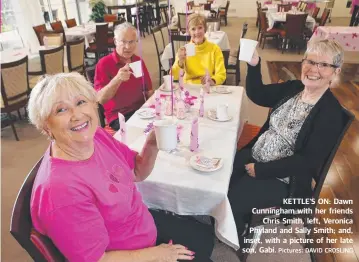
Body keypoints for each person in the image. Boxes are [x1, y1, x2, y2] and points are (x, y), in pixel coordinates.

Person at [28, 73, 214, 262]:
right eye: (61, 110)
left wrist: (151, 145)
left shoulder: (97, 136)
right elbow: (95, 259)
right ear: (45, 127)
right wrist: (157, 254)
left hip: (139, 223)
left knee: (204, 239)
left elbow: (136, 172)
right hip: (126, 254)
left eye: (81, 102)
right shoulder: (60, 190)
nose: (77, 115)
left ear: (93, 104)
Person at [228, 39, 345, 239]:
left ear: (335, 72)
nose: (313, 69)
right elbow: (258, 94)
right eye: (309, 61)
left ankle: (238, 232)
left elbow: (307, 162)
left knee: (232, 199)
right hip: (256, 155)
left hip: (285, 179)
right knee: (220, 176)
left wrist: (261, 170)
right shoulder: (295, 88)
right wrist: (254, 64)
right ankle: (234, 220)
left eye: (324, 65)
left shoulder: (330, 113)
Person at [94, 22, 153, 131]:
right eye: (123, 42)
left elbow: (149, 91)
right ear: (115, 41)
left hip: (141, 111)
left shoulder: (138, 61)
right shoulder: (104, 64)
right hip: (119, 117)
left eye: (131, 42)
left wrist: (152, 109)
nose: (128, 47)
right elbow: (100, 99)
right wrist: (117, 79)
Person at [171, 13, 226, 86]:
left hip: (208, 87)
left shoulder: (215, 49)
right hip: (189, 89)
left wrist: (212, 80)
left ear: (205, 29)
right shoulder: (184, 50)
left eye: (200, 27)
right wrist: (180, 62)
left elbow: (221, 74)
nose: (197, 32)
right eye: (193, 29)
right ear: (189, 32)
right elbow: (174, 76)